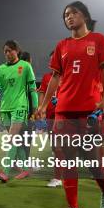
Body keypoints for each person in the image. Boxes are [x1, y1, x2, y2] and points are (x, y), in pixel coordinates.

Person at [37, 1, 104, 208]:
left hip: (89, 110)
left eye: (73, 13)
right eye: (65, 15)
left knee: (93, 161)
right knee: (68, 160)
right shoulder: (62, 45)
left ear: (85, 16)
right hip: (64, 111)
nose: (69, 17)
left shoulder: (99, 40)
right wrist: (43, 107)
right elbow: (55, 77)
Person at [0, 40, 38, 182]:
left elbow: (32, 89)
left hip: (20, 107)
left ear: (17, 51)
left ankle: (5, 172)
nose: (8, 53)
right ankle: (26, 169)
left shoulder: (25, 66)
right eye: (5, 51)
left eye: (10, 50)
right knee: (17, 140)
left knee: (11, 138)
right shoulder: (0, 70)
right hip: (5, 108)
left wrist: (34, 108)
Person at [38, 51, 63, 188]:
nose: (51, 62)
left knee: (59, 147)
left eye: (54, 60)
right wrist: (41, 108)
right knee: (55, 147)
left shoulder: (67, 76)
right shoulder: (47, 77)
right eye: (50, 60)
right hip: (50, 116)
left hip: (63, 115)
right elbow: (42, 93)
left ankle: (58, 177)